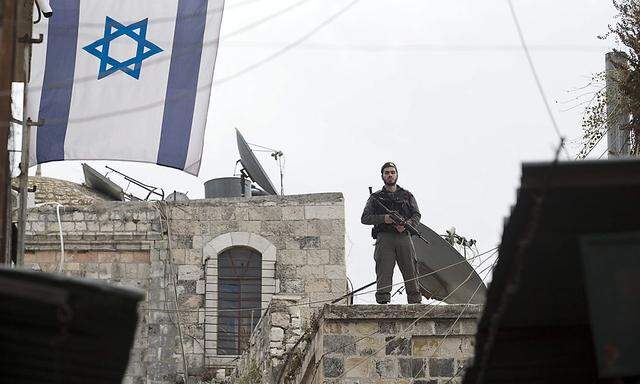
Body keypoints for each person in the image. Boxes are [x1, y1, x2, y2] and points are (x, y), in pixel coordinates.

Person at [361, 162, 422, 304]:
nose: (390, 175)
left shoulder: (407, 196)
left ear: (397, 175)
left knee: (410, 269)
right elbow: (365, 218)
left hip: (403, 236)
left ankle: (415, 301)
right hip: (384, 237)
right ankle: (383, 301)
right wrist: (385, 219)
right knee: (384, 270)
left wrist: (408, 225)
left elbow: (416, 215)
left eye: (392, 172)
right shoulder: (375, 197)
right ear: (382, 176)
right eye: (387, 172)